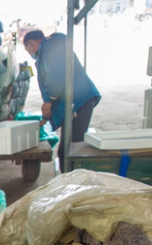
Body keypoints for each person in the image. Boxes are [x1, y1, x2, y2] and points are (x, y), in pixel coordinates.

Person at [23, 29, 101, 169]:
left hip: (78, 99)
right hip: (77, 98)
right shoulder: (53, 44)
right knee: (68, 145)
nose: (31, 55)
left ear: (31, 43)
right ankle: (70, 174)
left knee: (71, 147)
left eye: (28, 50)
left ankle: (73, 179)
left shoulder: (48, 48)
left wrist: (48, 101)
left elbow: (54, 78)